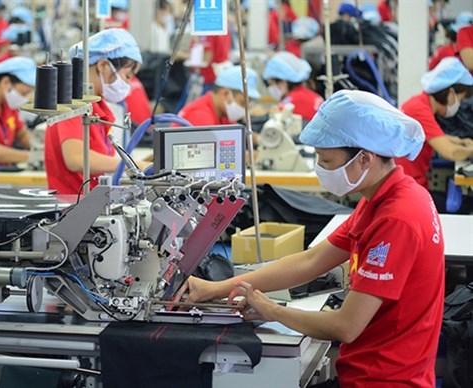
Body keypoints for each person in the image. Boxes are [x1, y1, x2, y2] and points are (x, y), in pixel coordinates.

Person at [180, 89, 444, 388]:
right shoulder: (382, 199)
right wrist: (215, 288)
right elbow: (312, 260)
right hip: (375, 369)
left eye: (327, 161)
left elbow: (346, 326)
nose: (320, 170)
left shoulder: (397, 218)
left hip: (385, 379)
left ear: (365, 159)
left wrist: (274, 311)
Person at [44, 28, 150, 194]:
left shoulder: (99, 107)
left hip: (93, 201)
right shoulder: (73, 102)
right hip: (74, 207)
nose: (128, 84)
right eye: (127, 76)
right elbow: (76, 159)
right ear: (102, 65)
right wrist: (130, 164)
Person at [395, 57, 473, 190]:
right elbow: (451, 153)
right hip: (408, 187)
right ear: (450, 93)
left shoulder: (419, 103)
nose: (458, 105)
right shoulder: (419, 110)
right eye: (459, 99)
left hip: (409, 183)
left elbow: (432, 137)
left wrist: (460, 142)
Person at [178, 65, 261, 126]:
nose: (244, 110)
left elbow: (237, 134)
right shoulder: (201, 116)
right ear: (226, 93)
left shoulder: (221, 113)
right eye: (242, 103)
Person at [262, 51, 324, 122]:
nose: (270, 88)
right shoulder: (311, 95)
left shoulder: (291, 102)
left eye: (271, 84)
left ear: (282, 82)